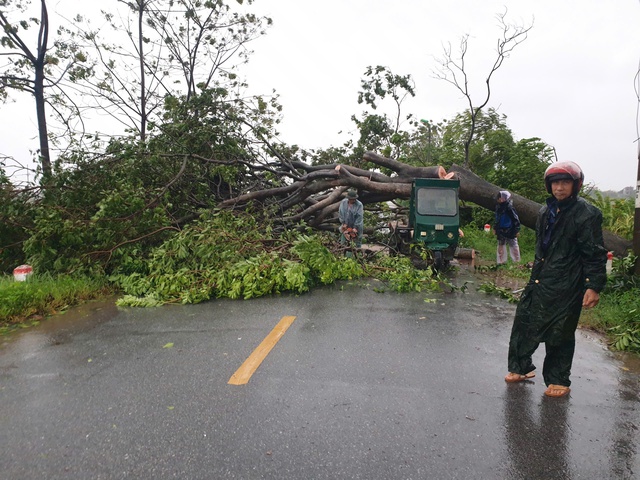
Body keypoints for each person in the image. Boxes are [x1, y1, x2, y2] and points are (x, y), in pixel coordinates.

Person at [504, 161, 607, 398]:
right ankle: (520, 368)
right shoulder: (545, 211)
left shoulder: (587, 214)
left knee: (559, 331)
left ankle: (558, 379)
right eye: (555, 183)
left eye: (565, 182)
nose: (559, 188)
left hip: (568, 283)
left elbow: (594, 252)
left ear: (576, 185)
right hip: (540, 279)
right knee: (523, 321)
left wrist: (593, 285)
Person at [493, 190, 521, 265]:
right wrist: (495, 228)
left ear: (504, 198)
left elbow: (516, 220)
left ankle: (516, 262)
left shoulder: (509, 208)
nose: (498, 199)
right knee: (500, 246)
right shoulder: (498, 207)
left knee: (513, 246)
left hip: (510, 229)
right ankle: (501, 262)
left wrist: (516, 230)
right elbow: (497, 218)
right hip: (500, 229)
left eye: (500, 198)